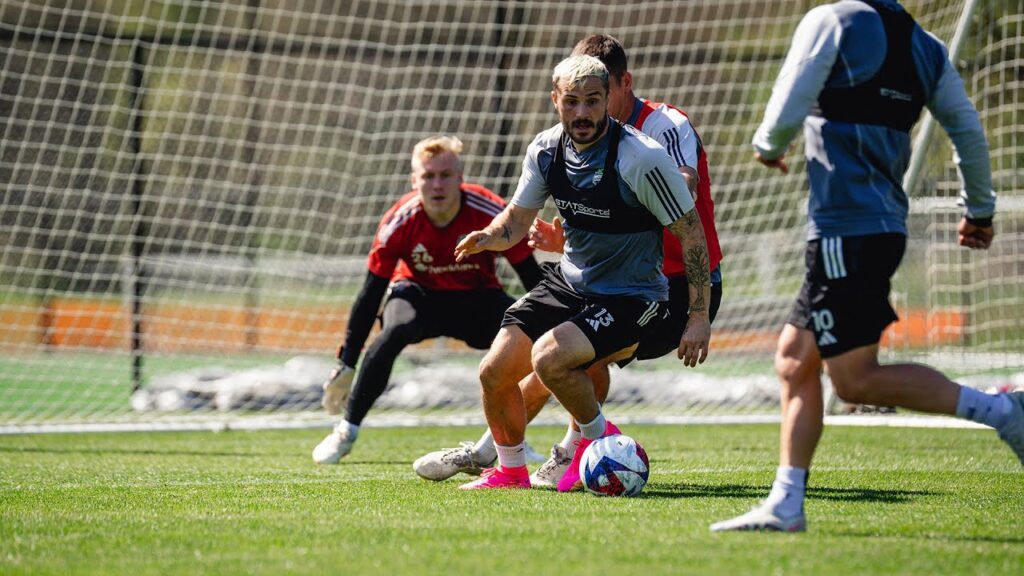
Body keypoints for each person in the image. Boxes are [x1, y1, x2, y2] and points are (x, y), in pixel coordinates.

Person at [710, 0, 1022, 532]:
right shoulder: (927, 47)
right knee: (792, 360)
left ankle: (1004, 412)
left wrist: (769, 143)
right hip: (877, 229)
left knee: (854, 380)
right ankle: (786, 504)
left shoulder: (831, 21)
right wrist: (981, 209)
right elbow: (967, 130)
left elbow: (789, 102)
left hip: (844, 231)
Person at [413, 34, 725, 492]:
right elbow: (518, 220)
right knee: (497, 369)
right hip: (577, 279)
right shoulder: (546, 149)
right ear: (556, 100)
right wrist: (491, 236)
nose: (583, 112)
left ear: (616, 91)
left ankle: (600, 446)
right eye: (572, 101)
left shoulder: (646, 149)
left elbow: (688, 222)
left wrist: (698, 316)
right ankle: (508, 466)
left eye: (594, 101)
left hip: (644, 290)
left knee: (556, 359)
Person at [312, 135, 542, 464]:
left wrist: (553, 330)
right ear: (414, 180)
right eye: (428, 176)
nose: (437, 184)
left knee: (526, 337)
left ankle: (507, 440)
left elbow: (530, 277)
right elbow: (370, 293)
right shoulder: (398, 222)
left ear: (460, 178)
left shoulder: (490, 212)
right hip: (417, 296)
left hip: (475, 299)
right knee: (393, 331)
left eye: (445, 175)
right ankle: (346, 431)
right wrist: (347, 360)